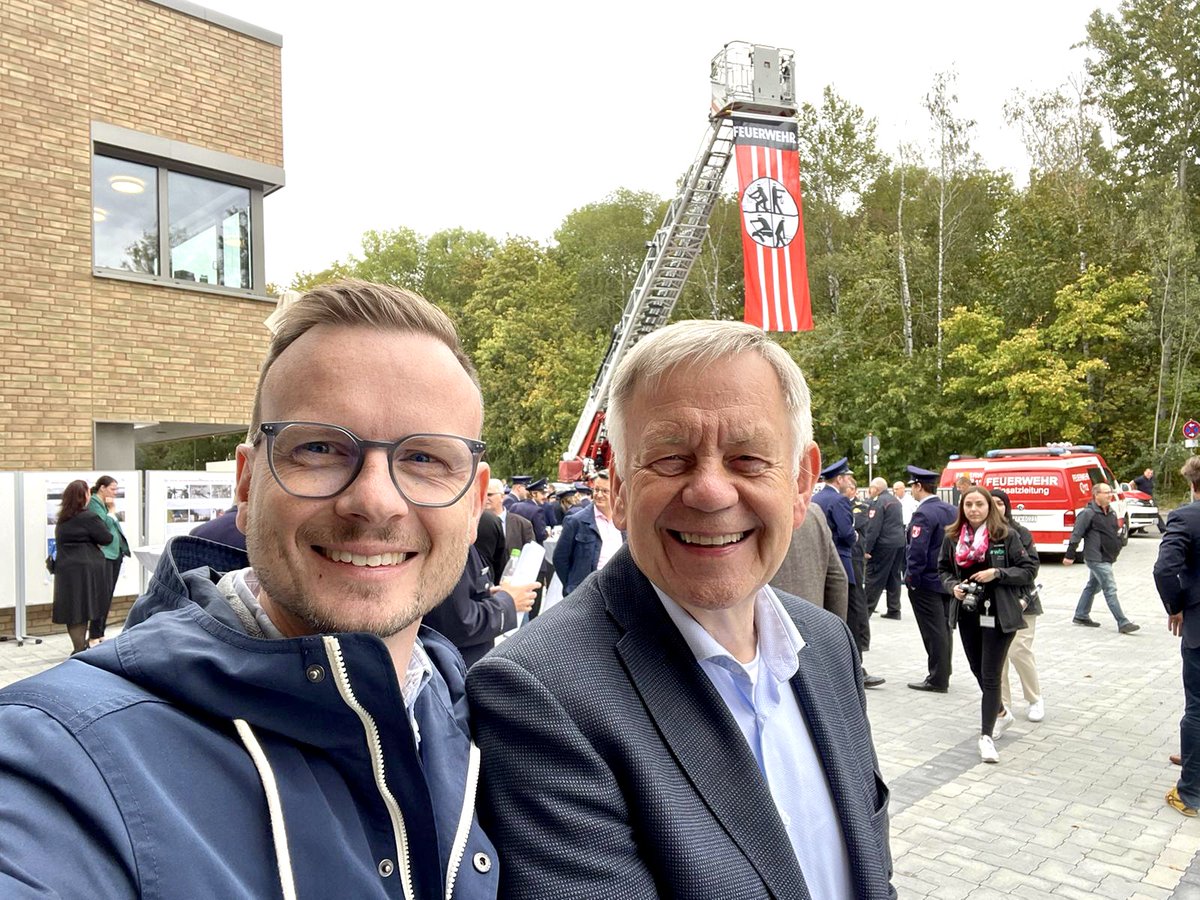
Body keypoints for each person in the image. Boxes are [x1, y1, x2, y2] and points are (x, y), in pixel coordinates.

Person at [0, 281, 498, 897]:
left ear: (474, 503)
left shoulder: (488, 726)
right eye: (319, 448)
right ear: (245, 483)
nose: (373, 501)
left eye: (425, 458)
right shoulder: (58, 755)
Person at [468, 320, 896, 899]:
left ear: (800, 482)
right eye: (671, 459)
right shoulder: (538, 694)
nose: (712, 491)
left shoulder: (825, 645)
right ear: (617, 488)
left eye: (747, 458)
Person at [938, 486, 1037, 763]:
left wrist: (998, 573)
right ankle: (1002, 712)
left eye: (979, 504)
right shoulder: (953, 537)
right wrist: (953, 587)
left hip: (999, 612)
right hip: (968, 612)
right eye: (968, 504)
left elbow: (1028, 570)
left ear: (988, 507)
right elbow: (943, 569)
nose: (973, 509)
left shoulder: (1006, 535)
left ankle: (986, 737)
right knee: (976, 669)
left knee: (991, 675)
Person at [1155, 455, 1200, 816]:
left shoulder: (1186, 516)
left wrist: (1176, 606)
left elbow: (1164, 569)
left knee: (1197, 709)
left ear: (1192, 484)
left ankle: (1190, 792)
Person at [424, 545, 537, 666]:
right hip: (455, 667)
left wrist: (489, 596)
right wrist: (508, 603)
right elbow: (460, 623)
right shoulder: (451, 547)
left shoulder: (465, 545)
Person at [991, 489, 1045, 724]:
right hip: (994, 605)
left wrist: (1000, 574)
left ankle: (1035, 699)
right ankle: (1002, 705)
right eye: (991, 504)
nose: (996, 508)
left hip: (1023, 603)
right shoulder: (983, 534)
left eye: (1000, 503)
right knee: (997, 657)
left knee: (1019, 650)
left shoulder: (1020, 532)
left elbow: (1031, 568)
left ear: (1007, 506)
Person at [905, 466, 958, 692]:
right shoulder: (951, 510)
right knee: (944, 628)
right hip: (947, 579)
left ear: (918, 486)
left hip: (926, 580)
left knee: (933, 630)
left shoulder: (923, 514)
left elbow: (917, 550)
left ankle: (938, 678)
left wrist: (911, 578)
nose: (912, 492)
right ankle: (944, 670)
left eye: (912, 487)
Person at [1065, 482, 1139, 633]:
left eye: (1110, 492)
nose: (1109, 495)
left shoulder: (1110, 512)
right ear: (1096, 495)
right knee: (1110, 588)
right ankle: (1123, 622)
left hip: (1107, 556)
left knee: (1093, 585)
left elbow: (1114, 532)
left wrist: (1118, 544)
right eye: (1106, 493)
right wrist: (1070, 555)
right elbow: (1076, 534)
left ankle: (1081, 615)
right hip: (1096, 558)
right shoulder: (1087, 513)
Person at [51, 479, 115, 654]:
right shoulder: (89, 517)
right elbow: (106, 538)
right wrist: (110, 513)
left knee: (74, 609)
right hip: (86, 570)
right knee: (86, 607)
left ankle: (78, 647)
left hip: (66, 569)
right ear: (84, 496)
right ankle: (80, 650)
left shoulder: (62, 518)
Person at [769, 503, 848, 621]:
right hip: (814, 626)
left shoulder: (752, 513)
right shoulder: (813, 512)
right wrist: (834, 632)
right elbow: (838, 579)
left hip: (770, 629)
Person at [552, 470, 621, 595]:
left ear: (615, 493)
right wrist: (572, 586)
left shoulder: (623, 523)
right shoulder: (576, 521)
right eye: (596, 490)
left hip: (617, 592)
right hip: (585, 595)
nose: (599, 495)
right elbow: (560, 559)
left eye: (605, 491)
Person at [87, 475, 131, 646]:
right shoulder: (94, 504)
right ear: (102, 488)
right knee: (101, 595)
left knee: (108, 595)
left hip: (115, 553)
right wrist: (112, 513)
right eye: (112, 488)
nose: (115, 492)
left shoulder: (105, 505)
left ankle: (100, 632)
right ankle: (94, 634)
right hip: (105, 554)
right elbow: (102, 525)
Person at [865, 476, 906, 620]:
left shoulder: (879, 502)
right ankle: (894, 609)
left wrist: (867, 549)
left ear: (876, 488)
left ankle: (866, 609)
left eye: (871, 488)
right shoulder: (895, 501)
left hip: (884, 545)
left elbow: (873, 528)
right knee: (894, 576)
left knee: (875, 576)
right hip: (899, 542)